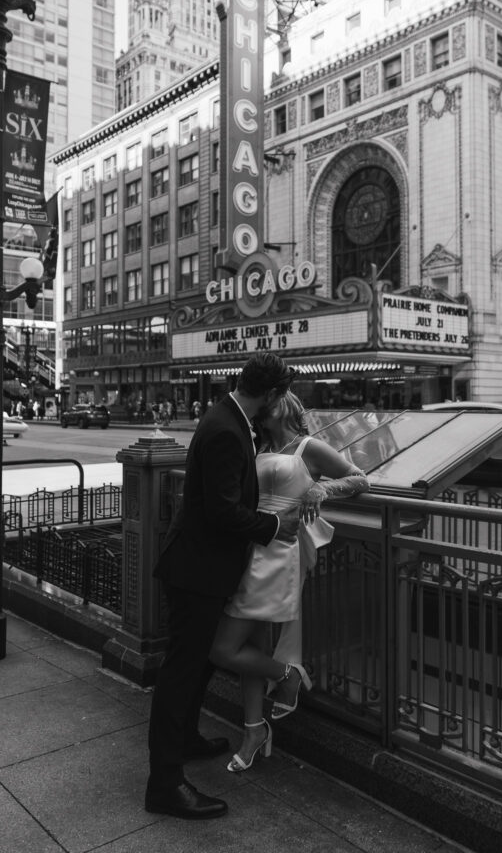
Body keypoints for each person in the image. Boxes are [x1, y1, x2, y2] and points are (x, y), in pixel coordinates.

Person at [145, 352, 299, 821]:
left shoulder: (225, 416)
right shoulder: (228, 431)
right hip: (198, 572)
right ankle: (165, 784)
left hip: (199, 567)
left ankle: (187, 739)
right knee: (180, 673)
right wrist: (275, 525)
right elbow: (222, 511)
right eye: (282, 396)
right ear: (271, 396)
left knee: (197, 668)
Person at [210, 390, 369, 773]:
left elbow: (359, 478)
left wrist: (322, 488)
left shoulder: (309, 446)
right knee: (252, 643)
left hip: (279, 554)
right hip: (249, 547)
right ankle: (253, 730)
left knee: (221, 648)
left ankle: (288, 676)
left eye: (275, 397)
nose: (266, 403)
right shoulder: (257, 443)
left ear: (287, 405)